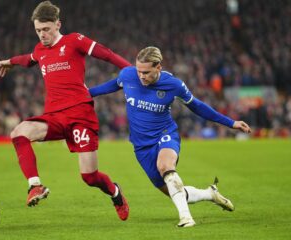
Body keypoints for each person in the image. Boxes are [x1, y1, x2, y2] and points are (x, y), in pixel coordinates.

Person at [0, 1, 130, 220]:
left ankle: (115, 192)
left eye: (46, 29)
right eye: (38, 30)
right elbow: (29, 59)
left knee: (89, 177)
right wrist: (11, 62)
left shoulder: (74, 40)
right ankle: (35, 186)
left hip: (80, 115)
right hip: (54, 116)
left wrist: (132, 70)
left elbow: (106, 54)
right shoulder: (40, 50)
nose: (42, 35)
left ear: (58, 24)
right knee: (19, 132)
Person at [89, 46, 251, 227]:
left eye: (146, 72)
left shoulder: (173, 85)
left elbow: (197, 106)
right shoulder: (128, 75)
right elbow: (110, 86)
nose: (141, 76)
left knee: (165, 166)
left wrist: (231, 123)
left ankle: (186, 218)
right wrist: (85, 94)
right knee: (177, 192)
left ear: (158, 67)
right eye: (139, 71)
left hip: (165, 134)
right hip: (141, 146)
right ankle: (209, 194)